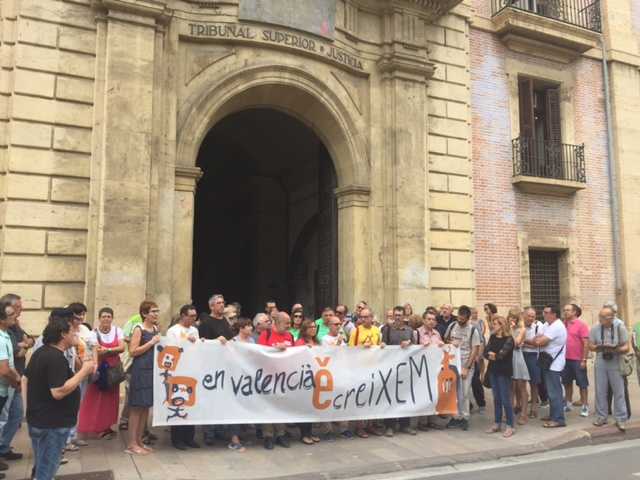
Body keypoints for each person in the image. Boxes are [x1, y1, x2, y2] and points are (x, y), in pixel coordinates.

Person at [25, 309, 95, 480]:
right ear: (63, 334)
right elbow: (58, 392)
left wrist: (29, 409)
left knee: (42, 464)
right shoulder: (54, 357)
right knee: (47, 469)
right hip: (51, 424)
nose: (76, 335)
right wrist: (84, 371)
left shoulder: (40, 352)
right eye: (73, 332)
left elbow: (24, 378)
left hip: (40, 419)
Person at [77, 307, 124, 440]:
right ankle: (93, 426)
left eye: (109, 316)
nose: (106, 319)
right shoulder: (93, 333)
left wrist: (108, 350)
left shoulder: (117, 331)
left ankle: (107, 426)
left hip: (113, 371)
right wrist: (111, 351)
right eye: (104, 316)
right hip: (100, 371)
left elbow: (122, 347)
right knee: (94, 399)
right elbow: (94, 350)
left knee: (111, 400)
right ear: (99, 318)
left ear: (112, 318)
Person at [198, 294, 234, 446]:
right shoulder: (206, 322)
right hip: (211, 367)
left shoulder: (225, 321)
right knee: (210, 400)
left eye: (223, 302)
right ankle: (209, 432)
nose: (222, 305)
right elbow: (202, 343)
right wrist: (215, 341)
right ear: (211, 306)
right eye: (218, 303)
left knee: (222, 400)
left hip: (225, 366)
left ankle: (220, 429)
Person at [126, 301, 161, 455]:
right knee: (136, 408)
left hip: (152, 370)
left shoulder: (155, 328)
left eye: (156, 311)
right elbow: (133, 351)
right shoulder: (138, 329)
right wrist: (151, 343)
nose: (156, 314)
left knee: (146, 407)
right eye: (153, 311)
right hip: (140, 370)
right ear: (144, 313)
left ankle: (140, 440)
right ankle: (131, 443)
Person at [166, 305, 202, 450]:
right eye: (191, 316)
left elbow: (197, 348)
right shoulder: (173, 331)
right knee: (178, 403)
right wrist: (187, 341)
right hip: (178, 371)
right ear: (183, 315)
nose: (194, 319)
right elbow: (172, 350)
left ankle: (189, 437)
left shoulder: (195, 330)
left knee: (190, 403)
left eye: (195, 316)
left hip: (192, 370)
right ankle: (177, 438)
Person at [0, 293, 30, 463]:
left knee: (16, 415)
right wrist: (17, 380)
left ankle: (3, 448)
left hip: (12, 383)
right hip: (6, 384)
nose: (18, 314)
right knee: (2, 420)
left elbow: (29, 341)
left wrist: (25, 345)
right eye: (13, 312)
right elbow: (4, 368)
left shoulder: (11, 330)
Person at [258, 312, 294, 449]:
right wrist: (274, 350)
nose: (289, 326)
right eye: (287, 323)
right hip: (268, 377)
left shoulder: (289, 336)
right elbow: (260, 353)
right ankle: (268, 435)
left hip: (285, 378)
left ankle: (281, 434)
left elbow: (297, 352)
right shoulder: (266, 334)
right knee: (268, 407)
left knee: (281, 406)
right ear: (278, 322)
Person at [589, 306, 629, 431]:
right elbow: (590, 345)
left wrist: (615, 348)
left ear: (611, 318)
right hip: (601, 359)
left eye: (603, 317)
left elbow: (626, 347)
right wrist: (598, 347)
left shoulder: (620, 328)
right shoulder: (595, 328)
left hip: (616, 360)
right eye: (600, 316)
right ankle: (601, 417)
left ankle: (621, 418)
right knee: (600, 390)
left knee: (619, 391)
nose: (600, 319)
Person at [444, 305, 481, 431]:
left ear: (468, 318)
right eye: (459, 317)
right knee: (453, 391)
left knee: (464, 392)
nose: (460, 320)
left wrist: (467, 367)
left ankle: (464, 417)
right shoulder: (452, 326)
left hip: (466, 364)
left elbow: (475, 349)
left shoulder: (472, 330)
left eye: (463, 318)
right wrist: (450, 343)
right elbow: (446, 341)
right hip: (453, 364)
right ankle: (455, 416)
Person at [348, 307, 384, 438]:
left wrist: (382, 346)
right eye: (361, 317)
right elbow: (350, 350)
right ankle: (360, 426)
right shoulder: (356, 331)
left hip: (373, 368)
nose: (363, 319)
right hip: (360, 369)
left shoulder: (376, 331)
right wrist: (361, 348)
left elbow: (380, 345)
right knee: (361, 397)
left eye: (366, 317)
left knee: (373, 397)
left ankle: (371, 425)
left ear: (371, 317)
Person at [381, 310, 415, 436]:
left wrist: (409, 343)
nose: (398, 317)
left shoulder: (409, 330)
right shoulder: (387, 329)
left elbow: (415, 345)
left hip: (405, 368)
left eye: (400, 315)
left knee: (405, 396)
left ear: (404, 317)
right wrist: (383, 345)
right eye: (396, 315)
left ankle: (405, 424)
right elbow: (383, 344)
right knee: (390, 397)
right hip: (391, 368)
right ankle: (389, 426)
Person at [533, 304, 567, 428]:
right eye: (544, 312)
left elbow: (539, 341)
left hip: (554, 364)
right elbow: (535, 339)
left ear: (554, 314)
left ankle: (558, 419)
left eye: (546, 312)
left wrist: (539, 340)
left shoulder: (557, 326)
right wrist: (539, 340)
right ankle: (553, 415)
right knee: (550, 390)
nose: (544, 314)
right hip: (547, 362)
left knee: (554, 392)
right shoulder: (548, 325)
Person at [484, 315, 515, 438]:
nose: (493, 326)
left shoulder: (509, 339)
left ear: (502, 325)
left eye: (495, 324)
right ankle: (497, 423)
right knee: (496, 398)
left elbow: (503, 354)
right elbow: (485, 352)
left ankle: (510, 425)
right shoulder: (492, 337)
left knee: (505, 399)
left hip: (504, 372)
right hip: (493, 370)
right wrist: (492, 355)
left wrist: (494, 355)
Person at [295, 320, 321, 445]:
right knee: (304, 407)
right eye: (310, 327)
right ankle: (304, 434)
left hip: (316, 376)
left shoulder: (317, 342)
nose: (313, 329)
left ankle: (310, 432)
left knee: (311, 407)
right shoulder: (300, 342)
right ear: (305, 329)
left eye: (314, 326)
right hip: (304, 377)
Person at [604, 301, 631, 419]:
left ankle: (626, 412)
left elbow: (625, 344)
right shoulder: (602, 324)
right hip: (606, 359)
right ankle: (607, 409)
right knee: (607, 386)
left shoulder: (619, 324)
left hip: (618, 359)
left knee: (621, 387)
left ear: (613, 312)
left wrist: (613, 347)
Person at [562, 303, 590, 417]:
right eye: (564, 310)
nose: (565, 312)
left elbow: (586, 343)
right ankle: (568, 404)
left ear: (574, 312)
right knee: (567, 383)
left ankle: (584, 406)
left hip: (578, 359)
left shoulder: (581, 325)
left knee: (582, 384)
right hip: (565, 359)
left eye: (568, 310)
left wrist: (584, 359)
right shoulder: (563, 324)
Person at [118, 312, 142, 432]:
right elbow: (124, 336)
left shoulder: (155, 324)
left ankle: (143, 428)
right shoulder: (134, 320)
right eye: (153, 311)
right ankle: (124, 420)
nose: (155, 314)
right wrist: (137, 341)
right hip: (131, 363)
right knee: (130, 394)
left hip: (144, 365)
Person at [521, 307, 543, 418]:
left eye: (533, 316)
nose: (531, 318)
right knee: (520, 382)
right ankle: (521, 405)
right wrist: (531, 342)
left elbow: (537, 343)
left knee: (534, 382)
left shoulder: (539, 326)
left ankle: (534, 405)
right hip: (520, 355)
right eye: (529, 316)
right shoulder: (519, 326)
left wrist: (523, 341)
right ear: (523, 315)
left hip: (533, 356)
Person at [509, 308, 530, 425]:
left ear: (517, 319)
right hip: (508, 359)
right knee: (510, 388)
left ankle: (524, 414)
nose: (511, 319)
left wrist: (511, 330)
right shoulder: (508, 329)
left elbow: (516, 342)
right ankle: (509, 412)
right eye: (510, 317)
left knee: (522, 387)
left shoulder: (522, 330)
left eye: (513, 317)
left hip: (517, 358)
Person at [469, 306, 486, 414]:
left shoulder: (477, 325)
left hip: (474, 356)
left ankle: (481, 404)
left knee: (476, 382)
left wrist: (478, 356)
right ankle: (468, 405)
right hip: (464, 359)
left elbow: (480, 341)